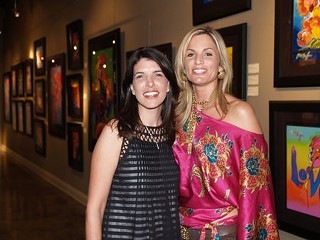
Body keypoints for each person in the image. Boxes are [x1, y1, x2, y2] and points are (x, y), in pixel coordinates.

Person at [173, 26, 279, 240]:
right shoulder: (174, 114)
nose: (198, 61)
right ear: (183, 66)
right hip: (178, 229)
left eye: (208, 54)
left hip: (223, 232)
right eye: (191, 54)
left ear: (221, 64)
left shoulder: (240, 113)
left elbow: (256, 188)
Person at [86, 47, 181, 240]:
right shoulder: (116, 133)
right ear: (131, 87)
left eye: (158, 75)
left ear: (168, 84)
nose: (150, 83)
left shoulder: (174, 136)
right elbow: (95, 209)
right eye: (140, 77)